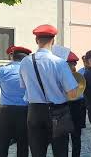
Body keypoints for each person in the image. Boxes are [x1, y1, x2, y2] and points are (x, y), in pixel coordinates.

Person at [19, 24, 78, 157]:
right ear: (53, 40)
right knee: (60, 152)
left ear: (36, 40)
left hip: (34, 111)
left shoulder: (25, 61)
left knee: (37, 152)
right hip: (58, 111)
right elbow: (72, 93)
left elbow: (23, 86)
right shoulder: (59, 62)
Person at [0, 46, 31, 157]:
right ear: (25, 59)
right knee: (23, 145)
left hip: (5, 112)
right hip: (24, 111)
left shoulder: (3, 69)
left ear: (12, 56)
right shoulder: (29, 71)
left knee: (2, 145)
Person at [66, 51, 87, 157]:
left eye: (74, 64)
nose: (73, 66)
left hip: (77, 106)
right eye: (71, 64)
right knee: (64, 136)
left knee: (76, 137)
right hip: (66, 106)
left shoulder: (79, 75)